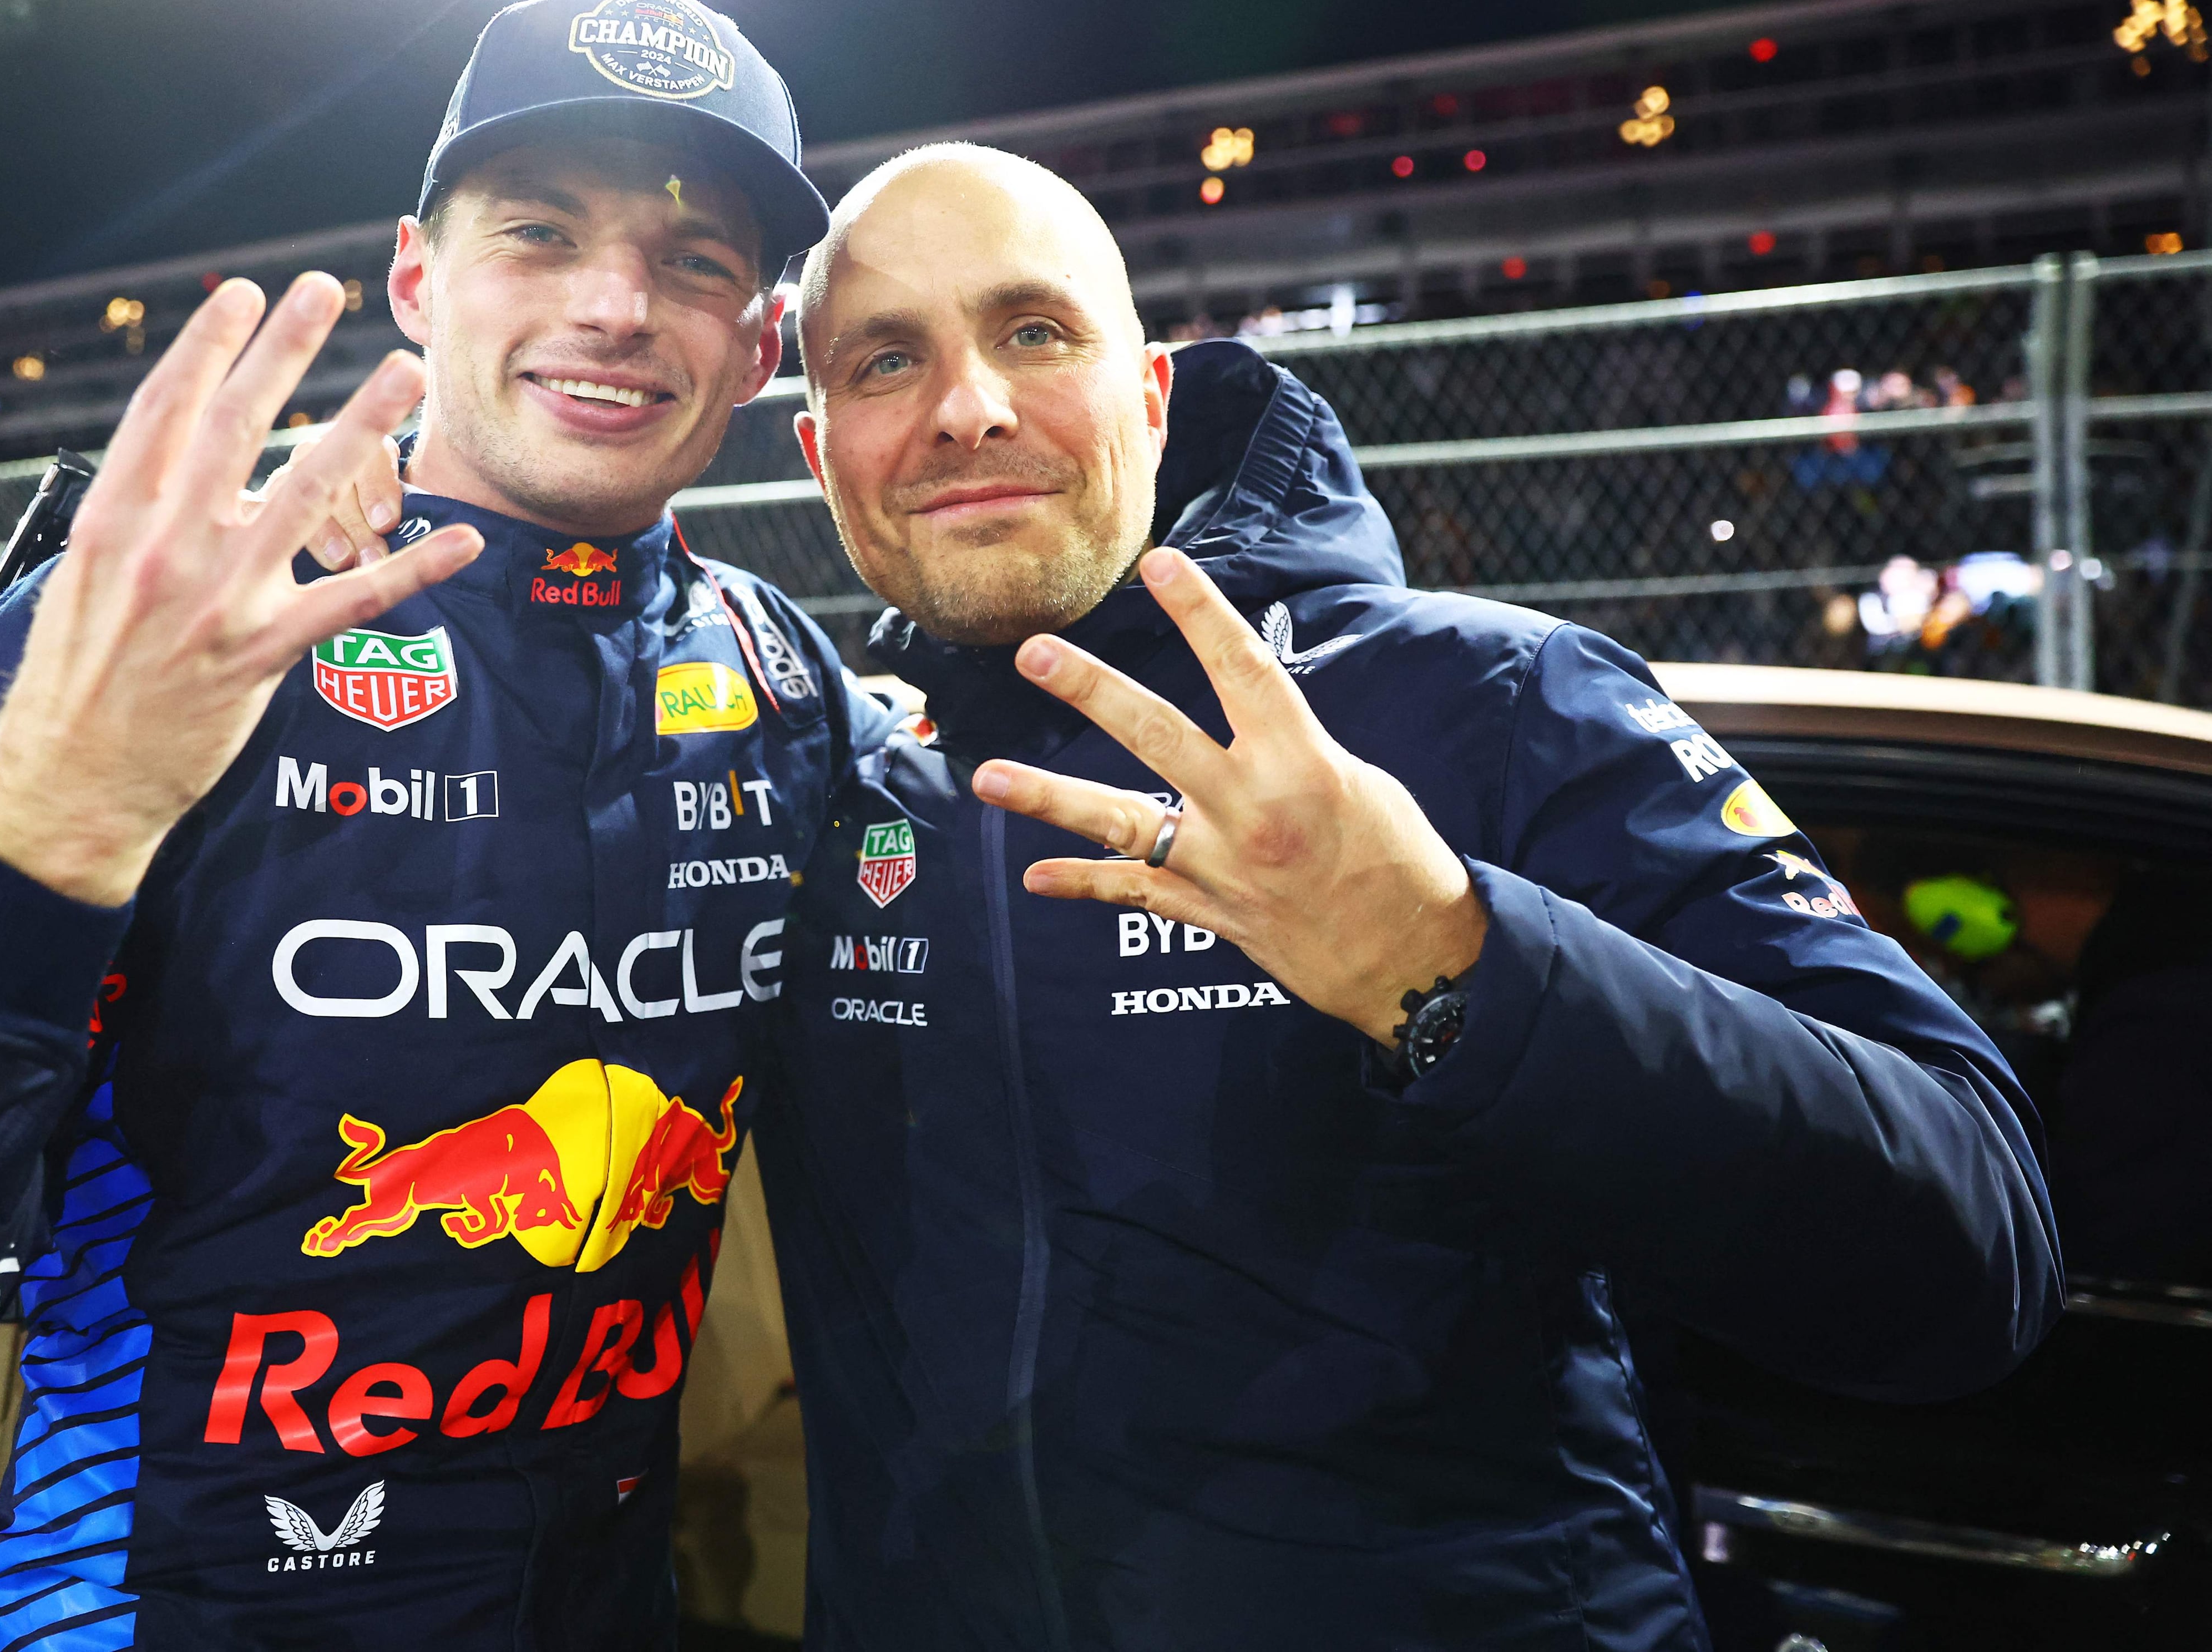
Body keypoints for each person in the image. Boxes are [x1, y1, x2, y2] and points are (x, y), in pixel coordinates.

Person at [0, 0, 865, 1649]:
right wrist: (45, 831)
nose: (616, 305)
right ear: (415, 279)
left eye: (695, 262)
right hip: (156, 1601)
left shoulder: (785, 683)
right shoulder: (177, 620)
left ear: (756, 345)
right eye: (537, 233)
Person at [754, 144, 2062, 1650]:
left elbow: (1971, 1250)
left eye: (1036, 332)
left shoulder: (1491, 701)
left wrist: (1449, 961)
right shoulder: (824, 780)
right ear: (821, 447)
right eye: (884, 359)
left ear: (1154, 396)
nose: (967, 406)